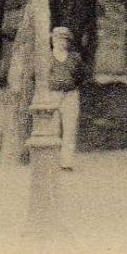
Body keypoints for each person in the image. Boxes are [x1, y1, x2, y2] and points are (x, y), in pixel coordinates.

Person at [48, 26, 85, 171]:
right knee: (53, 128)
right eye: (57, 38)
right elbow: (36, 76)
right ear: (52, 40)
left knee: (70, 128)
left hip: (70, 95)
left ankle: (66, 163)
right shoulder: (47, 57)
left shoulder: (74, 57)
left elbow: (81, 75)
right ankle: (52, 161)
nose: (60, 42)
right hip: (52, 95)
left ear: (68, 41)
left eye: (64, 39)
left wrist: (71, 85)